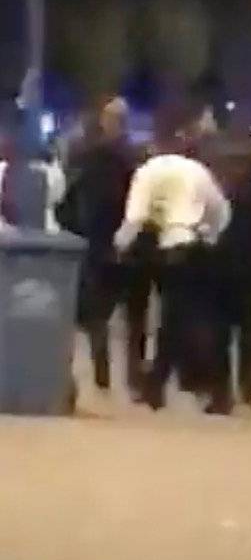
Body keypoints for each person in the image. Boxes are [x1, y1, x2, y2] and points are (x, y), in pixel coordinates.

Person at [114, 121, 231, 409]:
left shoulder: (146, 173)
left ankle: (189, 389)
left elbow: (135, 218)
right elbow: (221, 209)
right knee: (184, 321)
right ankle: (169, 386)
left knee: (177, 323)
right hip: (195, 248)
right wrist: (210, 235)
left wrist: (120, 245)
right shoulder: (197, 171)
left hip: (170, 249)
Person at [58, 97, 150, 397]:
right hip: (130, 245)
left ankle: (104, 379)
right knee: (133, 318)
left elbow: (69, 201)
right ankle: (130, 380)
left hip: (98, 244)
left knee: (99, 316)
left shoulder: (88, 156)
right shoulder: (135, 157)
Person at [206, 136, 251, 414]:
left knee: (220, 333)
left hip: (223, 265)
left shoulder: (225, 191)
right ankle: (249, 390)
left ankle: (221, 395)